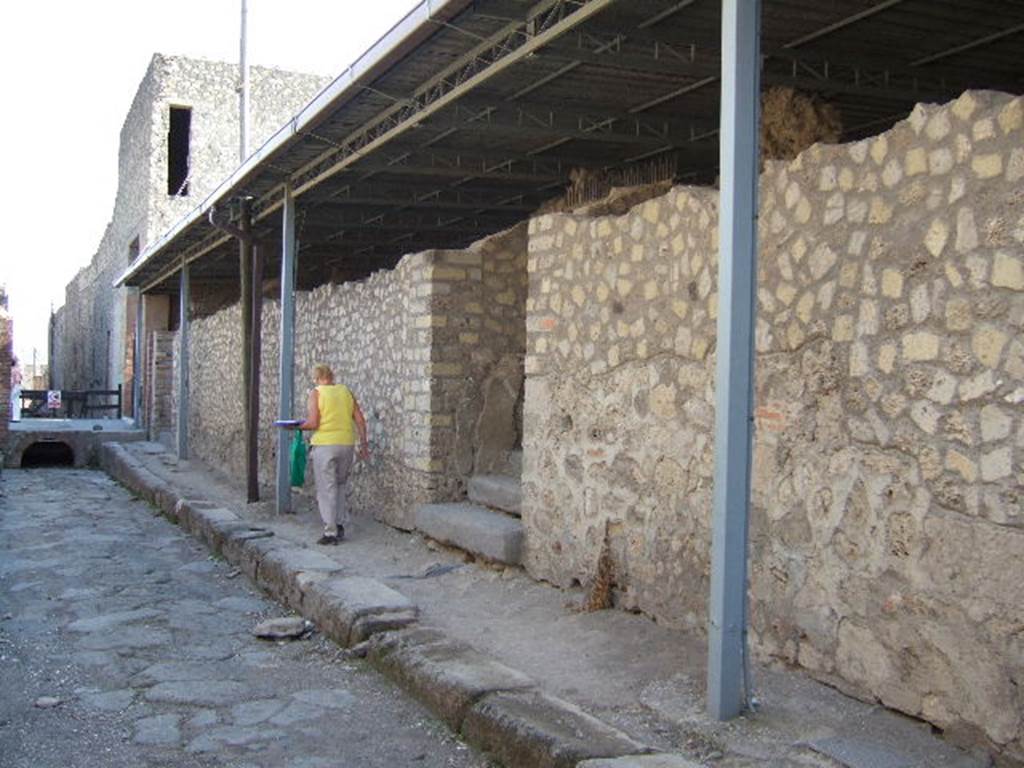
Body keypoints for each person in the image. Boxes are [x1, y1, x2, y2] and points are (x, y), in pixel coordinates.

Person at [294, 363, 369, 545]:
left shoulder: (316, 393)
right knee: (341, 484)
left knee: (326, 489)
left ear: (317, 378)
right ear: (332, 377)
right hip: (346, 444)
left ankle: (330, 532)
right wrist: (363, 443)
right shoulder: (345, 392)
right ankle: (341, 523)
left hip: (325, 445)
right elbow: (360, 419)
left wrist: (295, 425)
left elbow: (313, 423)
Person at [10, 356, 22, 422]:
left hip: (14, 386)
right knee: (15, 402)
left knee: (13, 401)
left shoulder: (13, 369)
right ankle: (16, 417)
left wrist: (11, 386)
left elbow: (15, 380)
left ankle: (14, 417)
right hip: (17, 386)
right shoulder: (17, 368)